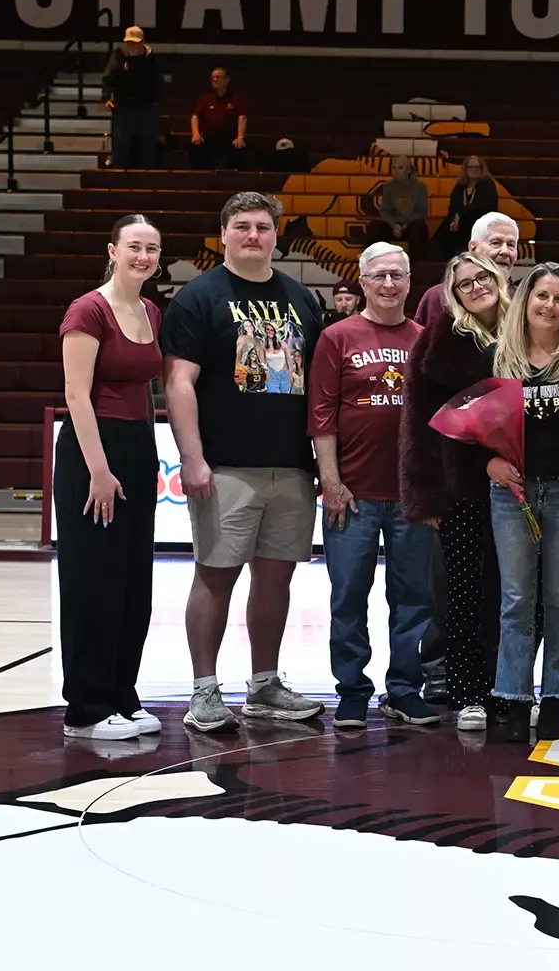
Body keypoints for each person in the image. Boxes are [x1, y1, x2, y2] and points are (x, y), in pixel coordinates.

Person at [162, 192, 324, 732]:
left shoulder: (302, 298)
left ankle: (264, 686)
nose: (253, 235)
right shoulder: (198, 298)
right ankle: (205, 692)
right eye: (242, 226)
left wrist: (324, 461)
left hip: (292, 466)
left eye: (262, 227)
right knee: (215, 576)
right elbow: (178, 382)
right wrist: (192, 458)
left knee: (276, 580)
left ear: (276, 235)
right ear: (223, 234)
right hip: (225, 466)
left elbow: (319, 390)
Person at [310, 243, 439, 730]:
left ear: (410, 282)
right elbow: (321, 415)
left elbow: (438, 423)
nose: (389, 284)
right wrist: (331, 482)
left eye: (398, 275)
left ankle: (404, 689)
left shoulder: (426, 339)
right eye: (379, 275)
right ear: (361, 281)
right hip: (353, 496)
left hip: (410, 498)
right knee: (348, 597)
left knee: (412, 599)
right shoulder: (337, 337)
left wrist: (430, 489)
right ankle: (352, 691)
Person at [55, 215, 164, 740]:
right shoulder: (88, 309)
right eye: (134, 247)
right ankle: (85, 707)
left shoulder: (151, 311)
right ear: (113, 251)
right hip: (90, 450)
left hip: (138, 446)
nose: (143, 256)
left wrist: (142, 453)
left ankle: (123, 693)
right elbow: (77, 394)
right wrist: (99, 469)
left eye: (152, 249)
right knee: (91, 581)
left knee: (131, 582)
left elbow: (146, 388)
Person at [401, 252, 510, 733]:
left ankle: (510, 689)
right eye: (465, 284)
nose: (476, 287)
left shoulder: (525, 329)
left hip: (524, 487)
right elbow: (420, 428)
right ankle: (469, 693)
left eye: (483, 277)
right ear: (453, 294)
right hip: (461, 489)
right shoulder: (437, 343)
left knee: (519, 597)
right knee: (465, 595)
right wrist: (426, 497)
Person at [487, 262, 559, 744]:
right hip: (512, 492)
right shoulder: (497, 357)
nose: (550, 306)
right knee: (516, 599)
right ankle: (512, 695)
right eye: (542, 296)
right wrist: (489, 464)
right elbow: (471, 426)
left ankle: (555, 697)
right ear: (525, 300)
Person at [411, 212, 523, 327]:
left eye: (511, 245)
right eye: (495, 243)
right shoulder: (437, 298)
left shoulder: (524, 300)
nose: (505, 251)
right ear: (473, 248)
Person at [102, 27, 162, 170]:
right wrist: (106, 97)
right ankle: (119, 180)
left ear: (142, 42)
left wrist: (156, 101)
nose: (132, 46)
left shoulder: (151, 58)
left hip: (146, 107)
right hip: (123, 107)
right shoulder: (118, 56)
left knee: (146, 146)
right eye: (129, 43)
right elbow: (107, 77)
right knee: (121, 144)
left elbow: (159, 81)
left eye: (135, 43)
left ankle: (146, 181)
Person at [438, 156, 498, 257]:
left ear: (481, 169)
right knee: (444, 229)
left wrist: (460, 215)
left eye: (477, 167)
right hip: (459, 224)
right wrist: (454, 220)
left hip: (480, 222)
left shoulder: (487, 184)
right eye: (470, 167)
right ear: (465, 169)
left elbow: (482, 206)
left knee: (466, 221)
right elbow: (453, 208)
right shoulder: (459, 187)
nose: (474, 170)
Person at [189, 66, 247, 170]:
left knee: (240, 149)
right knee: (195, 148)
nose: (215, 80)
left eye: (218, 77)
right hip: (209, 139)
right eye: (213, 78)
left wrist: (240, 137)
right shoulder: (206, 98)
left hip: (229, 139)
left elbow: (242, 117)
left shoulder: (235, 97)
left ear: (227, 80)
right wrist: (196, 134)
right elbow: (195, 116)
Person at [376, 155, 429, 254]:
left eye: (400, 167)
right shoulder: (388, 186)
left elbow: (421, 212)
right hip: (394, 226)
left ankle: (417, 264)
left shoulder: (419, 186)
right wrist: (394, 226)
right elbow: (385, 211)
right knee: (375, 227)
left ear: (408, 170)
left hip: (411, 225)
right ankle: (373, 260)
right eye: (394, 167)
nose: (396, 170)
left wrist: (404, 226)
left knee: (417, 227)